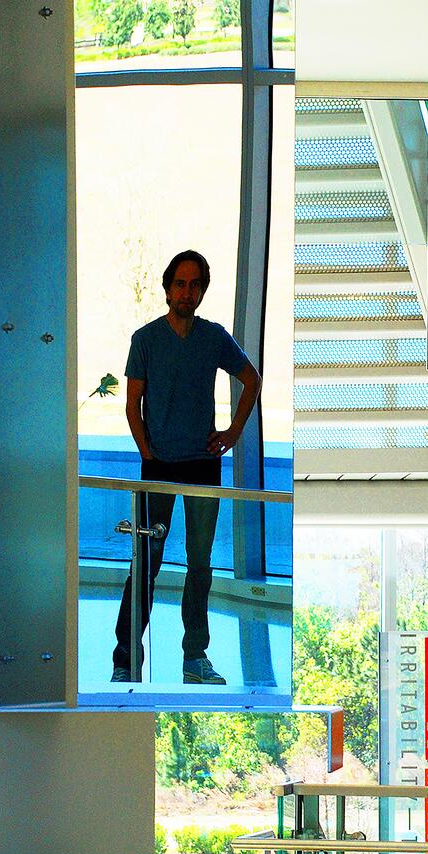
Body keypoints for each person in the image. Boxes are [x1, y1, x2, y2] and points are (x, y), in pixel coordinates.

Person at [111, 249, 262, 685]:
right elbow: (132, 404)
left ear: (202, 291)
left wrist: (233, 433)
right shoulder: (145, 339)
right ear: (167, 288)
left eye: (195, 285)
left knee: (200, 563)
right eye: (180, 283)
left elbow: (251, 379)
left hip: (202, 466)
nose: (187, 292)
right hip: (158, 466)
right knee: (147, 561)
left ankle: (194, 658)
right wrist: (147, 452)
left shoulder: (214, 338)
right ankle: (126, 656)